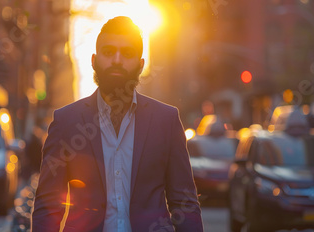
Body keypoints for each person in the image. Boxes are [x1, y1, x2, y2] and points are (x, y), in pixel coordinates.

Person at [31, 16, 203, 231]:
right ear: (94, 60)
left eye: (127, 53)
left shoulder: (166, 120)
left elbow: (184, 204)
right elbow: (48, 206)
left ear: (141, 64)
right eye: (109, 52)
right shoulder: (66, 121)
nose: (117, 60)